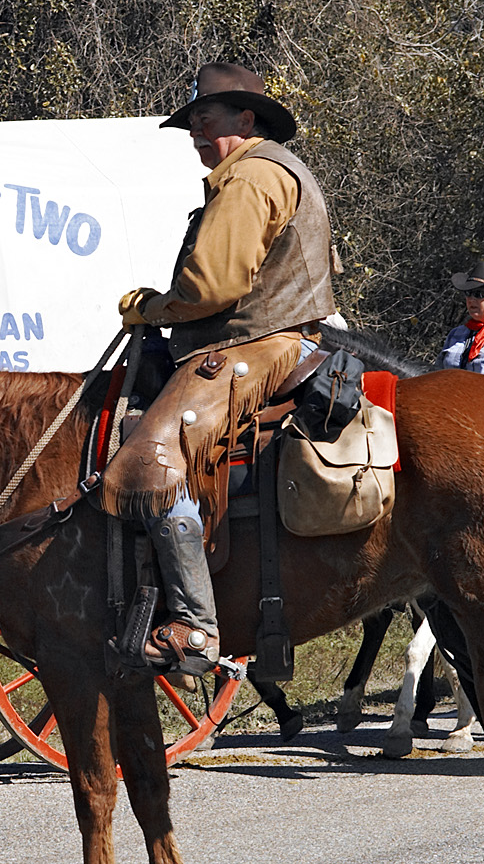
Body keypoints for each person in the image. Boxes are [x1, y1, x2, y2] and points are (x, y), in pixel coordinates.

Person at [109, 62, 337, 674]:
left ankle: (196, 625)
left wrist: (148, 307)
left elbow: (211, 286)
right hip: (274, 340)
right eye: (191, 125)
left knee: (151, 455)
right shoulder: (273, 172)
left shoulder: (250, 180)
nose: (195, 135)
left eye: (204, 121)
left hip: (256, 348)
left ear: (245, 118)